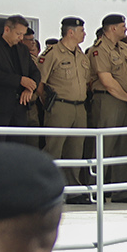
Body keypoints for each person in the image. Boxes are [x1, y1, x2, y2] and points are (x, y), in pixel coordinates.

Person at [39, 17, 93, 198]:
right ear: (71, 32)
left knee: (76, 150)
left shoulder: (81, 55)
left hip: (79, 107)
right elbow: (40, 83)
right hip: (60, 106)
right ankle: (48, 188)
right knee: (54, 148)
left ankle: (72, 190)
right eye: (81, 30)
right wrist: (47, 103)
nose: (84, 34)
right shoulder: (52, 53)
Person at [90, 15, 127, 199]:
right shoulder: (99, 49)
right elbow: (107, 81)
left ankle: (122, 191)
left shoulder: (125, 48)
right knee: (104, 146)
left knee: (125, 147)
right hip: (108, 101)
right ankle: (96, 190)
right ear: (112, 28)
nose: (125, 29)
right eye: (122, 26)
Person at [0, 15, 41, 130]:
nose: (21, 38)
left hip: (20, 106)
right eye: (18, 34)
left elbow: (35, 72)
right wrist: (20, 80)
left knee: (18, 145)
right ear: (7, 29)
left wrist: (30, 88)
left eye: (23, 34)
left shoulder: (22, 49)